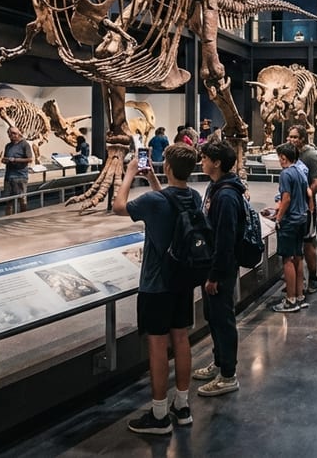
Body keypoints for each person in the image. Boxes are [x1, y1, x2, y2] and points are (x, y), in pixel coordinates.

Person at [113, 143, 200, 435]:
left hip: (156, 284)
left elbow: (118, 206)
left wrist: (129, 173)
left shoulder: (153, 202)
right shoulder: (194, 197)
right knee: (182, 338)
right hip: (182, 281)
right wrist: (153, 179)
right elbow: (170, 198)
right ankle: (183, 405)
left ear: (168, 167)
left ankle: (159, 413)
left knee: (158, 345)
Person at [193, 139, 245, 397]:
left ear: (217, 163)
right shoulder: (216, 188)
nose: (201, 162)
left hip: (220, 269)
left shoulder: (225, 195)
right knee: (213, 317)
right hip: (213, 265)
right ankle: (219, 362)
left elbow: (225, 239)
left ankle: (228, 375)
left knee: (223, 319)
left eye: (204, 158)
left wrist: (215, 275)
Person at [284, 125, 317, 293]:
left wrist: (306, 197)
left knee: (308, 243)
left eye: (295, 137)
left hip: (306, 208)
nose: (292, 140)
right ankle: (295, 283)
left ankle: (313, 277)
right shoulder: (289, 155)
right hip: (291, 208)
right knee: (293, 245)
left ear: (302, 138)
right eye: (290, 137)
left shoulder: (310, 156)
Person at [272, 143, 310, 313]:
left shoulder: (286, 173)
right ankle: (300, 296)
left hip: (290, 221)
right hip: (302, 218)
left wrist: (278, 217)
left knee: (287, 258)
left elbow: (286, 198)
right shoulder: (300, 172)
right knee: (298, 256)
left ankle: (290, 300)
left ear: (283, 157)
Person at [1, 127, 33, 215]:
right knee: (8, 200)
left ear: (19, 133)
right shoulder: (8, 146)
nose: (12, 135)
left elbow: (30, 159)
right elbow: (4, 158)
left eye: (14, 133)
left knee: (22, 199)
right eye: (10, 133)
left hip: (20, 176)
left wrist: (14, 160)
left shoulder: (25, 144)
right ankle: (8, 217)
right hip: (9, 176)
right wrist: (5, 160)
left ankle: (23, 216)